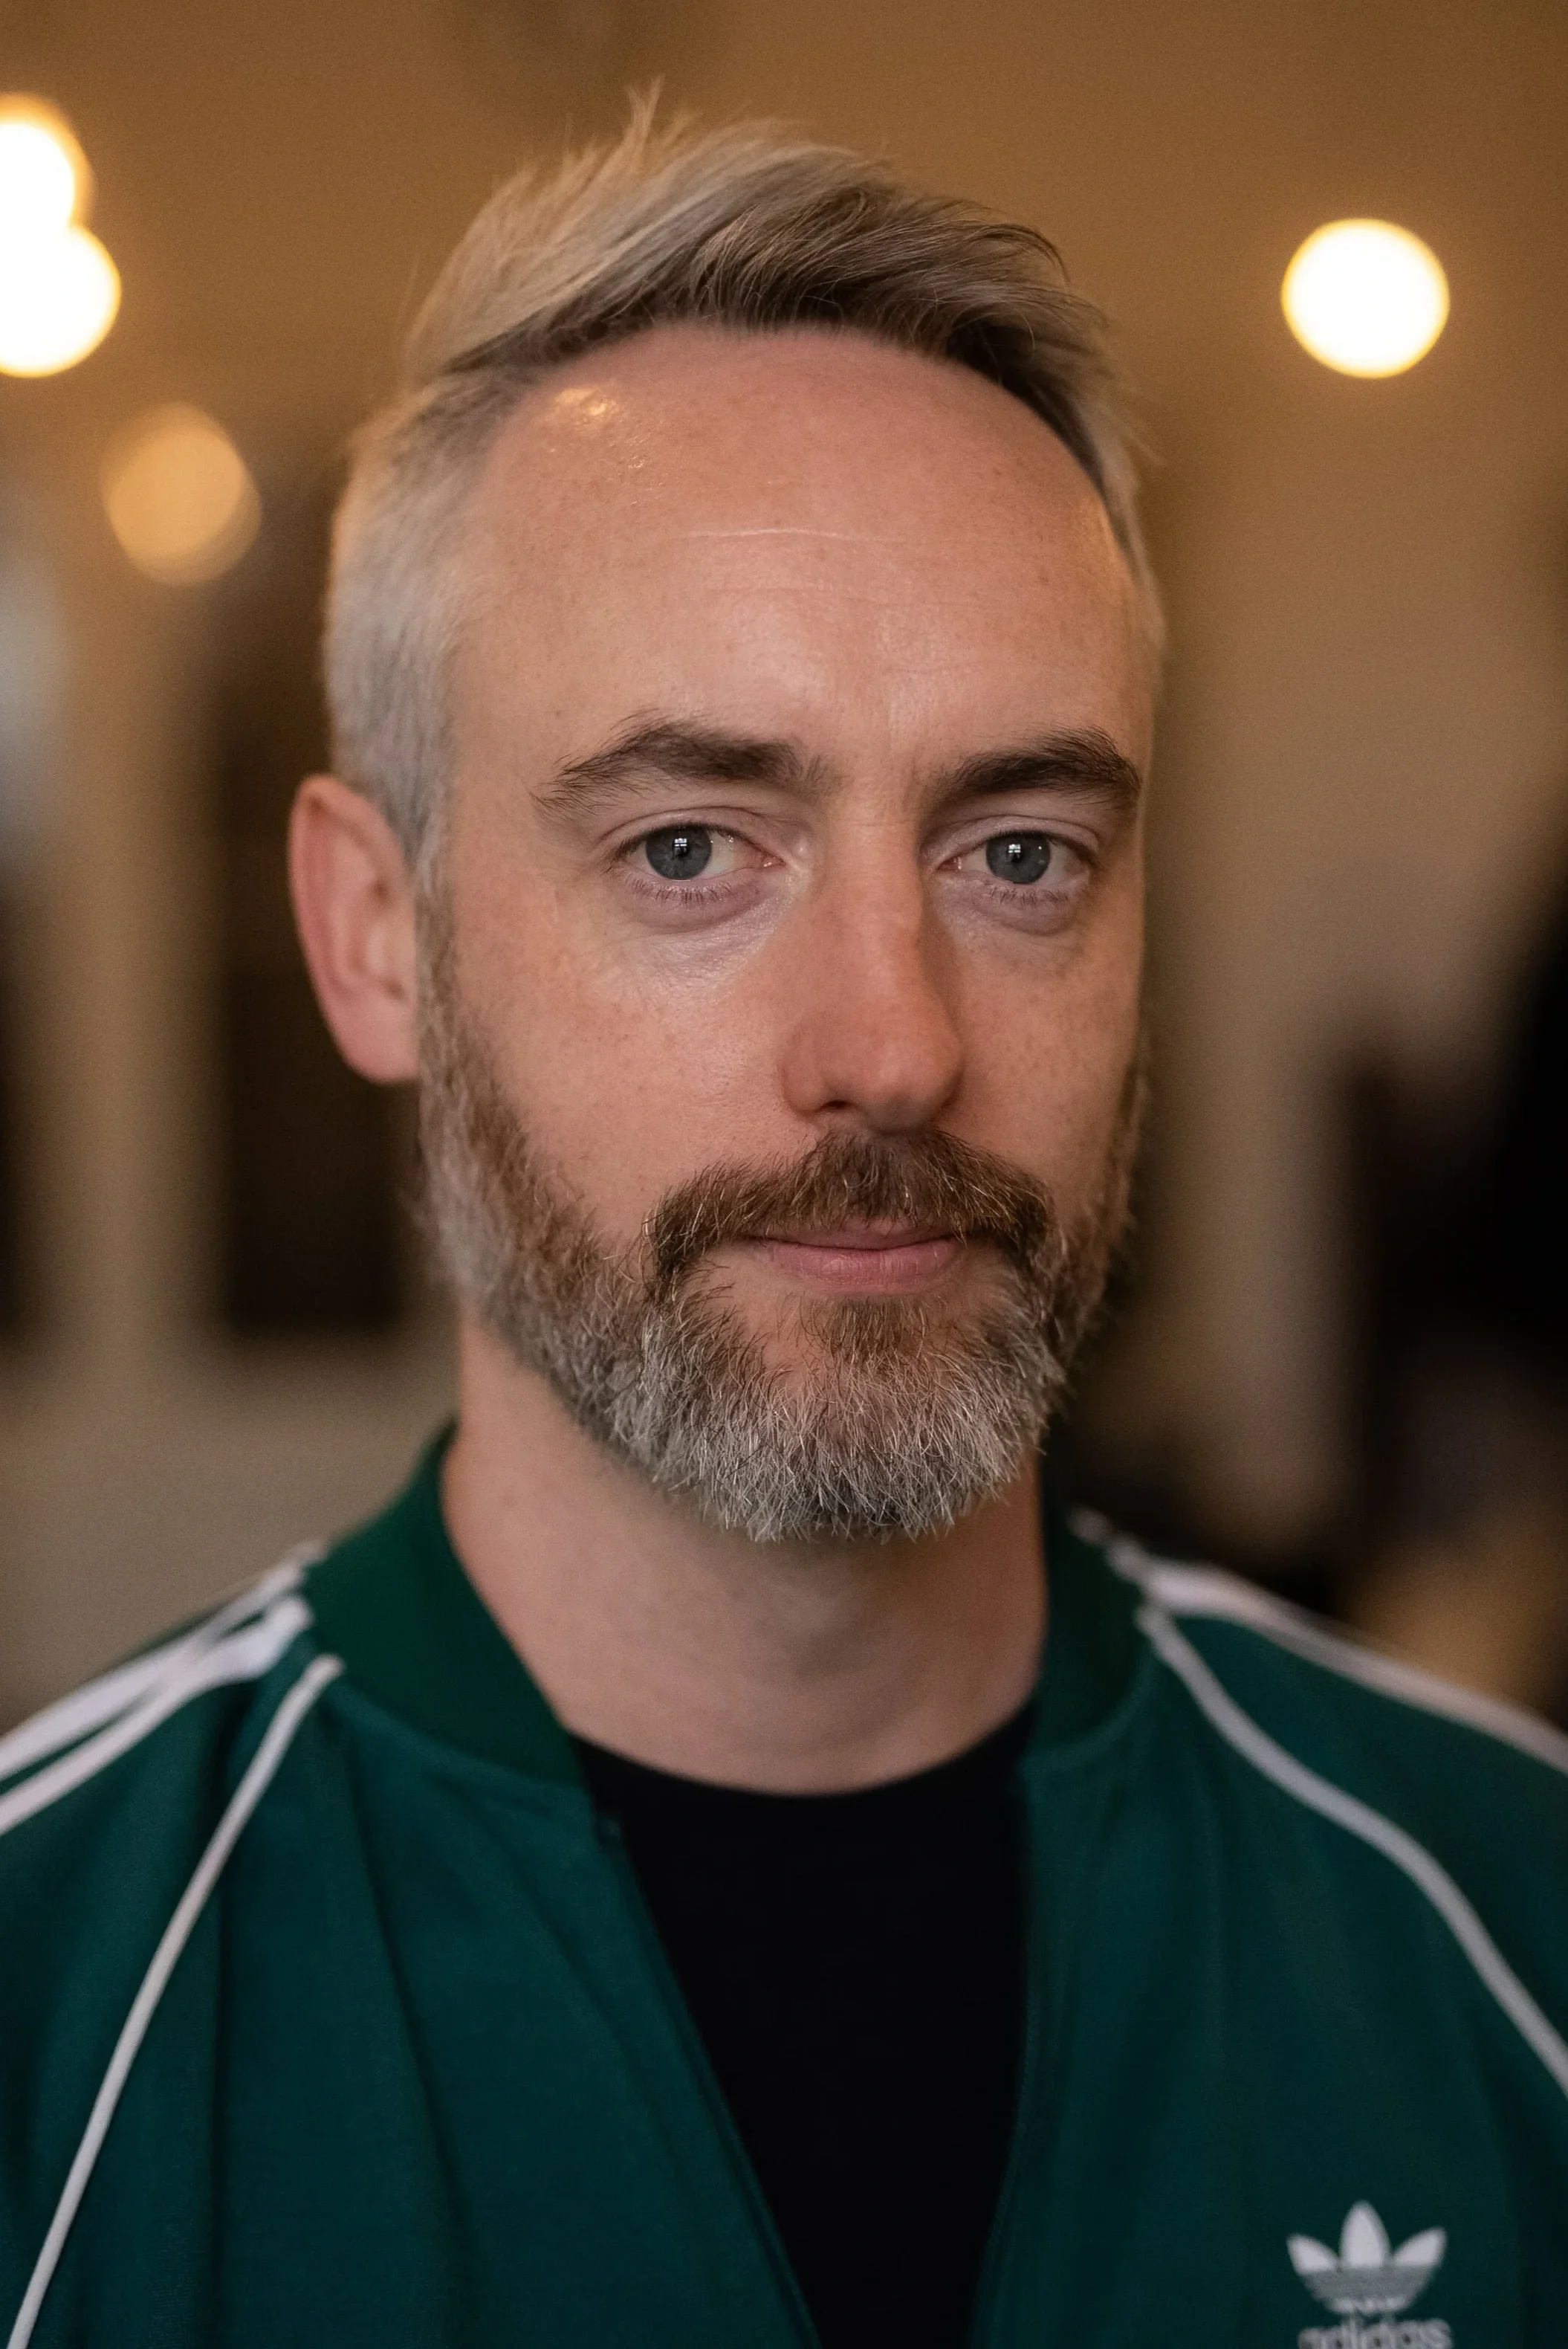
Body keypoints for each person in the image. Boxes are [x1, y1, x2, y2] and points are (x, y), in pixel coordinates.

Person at [1, 111, 1564, 2349]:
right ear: (374, 938)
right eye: (688, 850)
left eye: (1016, 852)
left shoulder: (1501, 1927)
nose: (892, 1044)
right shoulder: (53, 2005)